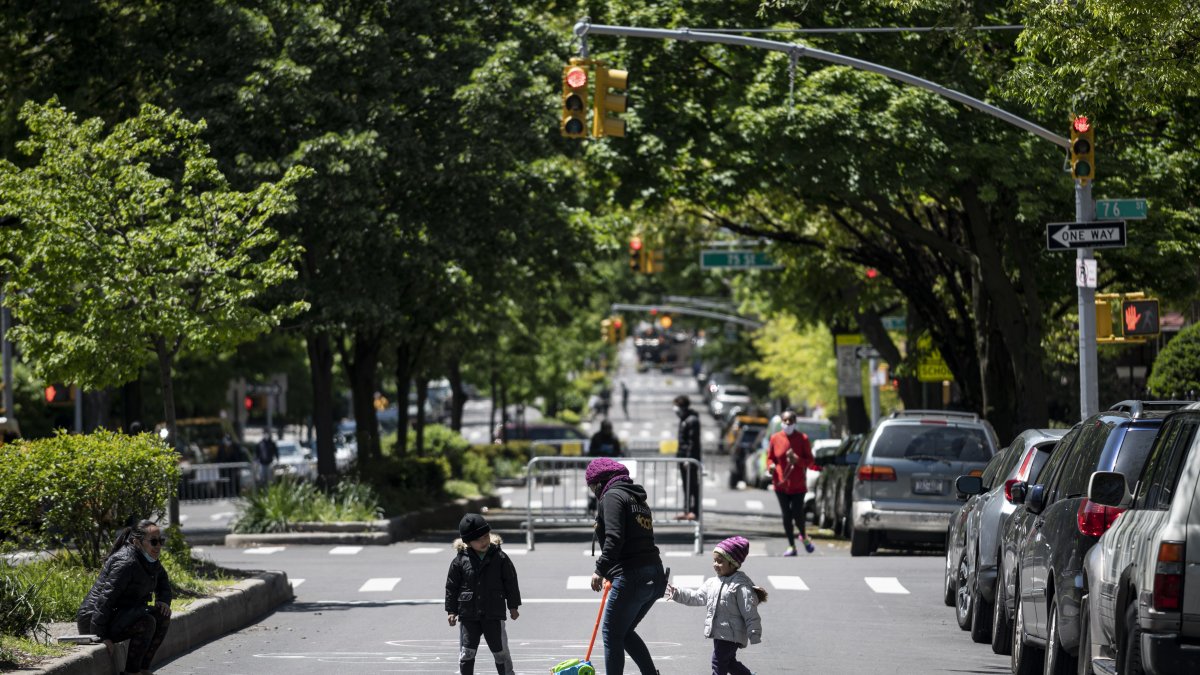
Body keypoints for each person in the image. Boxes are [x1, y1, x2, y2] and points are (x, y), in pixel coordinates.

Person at [586, 457, 667, 675]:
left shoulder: (612, 496)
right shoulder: (637, 498)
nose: (593, 492)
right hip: (654, 574)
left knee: (612, 634)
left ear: (601, 482)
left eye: (593, 486)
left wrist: (600, 569)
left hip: (632, 576)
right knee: (625, 631)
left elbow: (614, 538)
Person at [76, 519, 172, 675]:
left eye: (161, 540)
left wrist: (163, 601)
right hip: (94, 620)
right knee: (147, 622)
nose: (159, 546)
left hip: (121, 613)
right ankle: (131, 672)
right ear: (137, 542)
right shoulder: (126, 563)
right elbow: (105, 600)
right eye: (154, 541)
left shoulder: (150, 560)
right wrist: (100, 635)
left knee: (162, 614)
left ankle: (143, 669)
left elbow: (163, 582)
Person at [666, 536, 766, 675]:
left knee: (718, 662)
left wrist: (754, 633)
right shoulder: (713, 582)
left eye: (720, 561)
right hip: (720, 633)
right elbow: (698, 597)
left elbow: (750, 611)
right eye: (714, 560)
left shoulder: (740, 586)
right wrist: (678, 593)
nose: (715, 564)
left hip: (731, 634)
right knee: (728, 662)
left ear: (733, 563)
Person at [446, 513, 520, 675]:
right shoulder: (460, 561)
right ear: (467, 542)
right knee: (467, 651)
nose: (484, 541)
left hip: (493, 613)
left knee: (500, 651)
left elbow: (511, 582)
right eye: (478, 539)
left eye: (486, 536)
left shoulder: (499, 557)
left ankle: (507, 673)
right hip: (468, 615)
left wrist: (513, 606)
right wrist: (452, 611)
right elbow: (452, 587)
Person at [767, 409, 815, 556]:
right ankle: (791, 546)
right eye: (785, 421)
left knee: (797, 514)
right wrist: (771, 466)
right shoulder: (775, 438)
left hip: (798, 485)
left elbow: (810, 462)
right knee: (786, 515)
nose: (788, 424)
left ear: (795, 423)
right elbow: (770, 458)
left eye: (791, 421)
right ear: (781, 422)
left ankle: (803, 536)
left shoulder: (803, 439)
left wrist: (797, 460)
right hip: (780, 484)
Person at [674, 395, 702, 520]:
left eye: (677, 406)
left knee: (693, 486)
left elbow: (692, 442)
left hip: (690, 459)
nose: (675, 409)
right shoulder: (684, 419)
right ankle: (686, 510)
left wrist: (688, 458)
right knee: (686, 485)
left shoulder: (692, 420)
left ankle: (694, 511)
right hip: (683, 458)